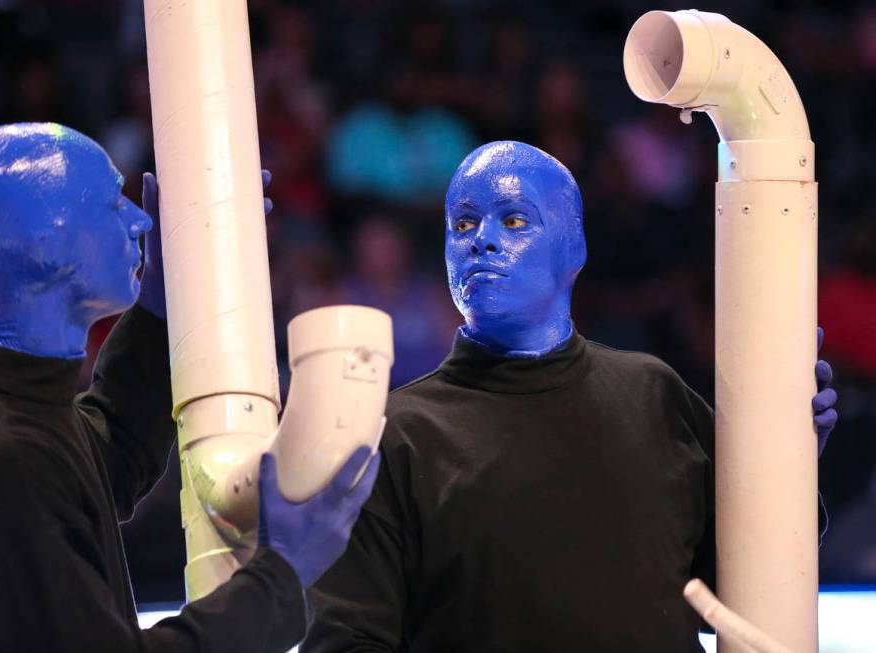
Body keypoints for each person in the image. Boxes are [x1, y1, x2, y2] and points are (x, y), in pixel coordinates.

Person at [301, 141, 838, 651]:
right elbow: (347, 641)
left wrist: (783, 475)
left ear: (573, 245)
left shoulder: (654, 395)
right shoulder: (392, 438)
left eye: (513, 220)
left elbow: (735, 587)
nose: (480, 239)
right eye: (463, 223)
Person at [0, 123, 378, 652]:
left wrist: (161, 303)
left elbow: (103, 457)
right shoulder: (1, 454)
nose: (140, 219)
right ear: (46, 238)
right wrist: (283, 574)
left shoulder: (16, 417)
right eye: (112, 205)